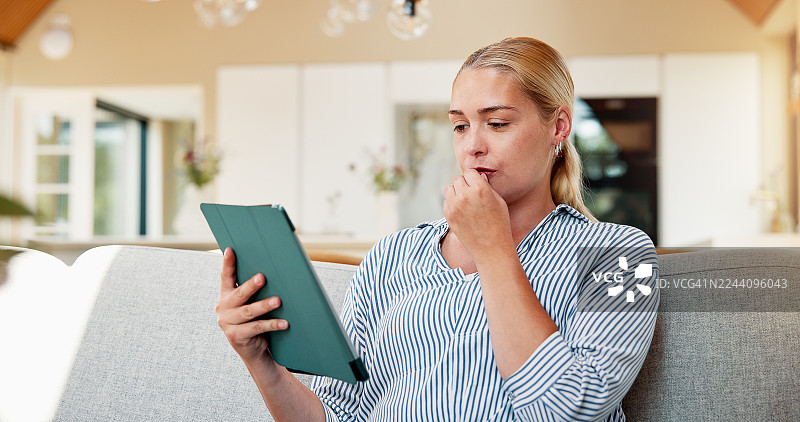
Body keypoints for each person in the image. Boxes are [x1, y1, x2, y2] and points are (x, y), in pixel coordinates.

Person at [215, 37, 659, 421]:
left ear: (559, 126)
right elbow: (340, 415)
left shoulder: (619, 255)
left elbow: (568, 408)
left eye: (498, 123)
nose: (472, 146)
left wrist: (493, 249)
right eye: (460, 125)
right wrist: (262, 365)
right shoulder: (392, 256)